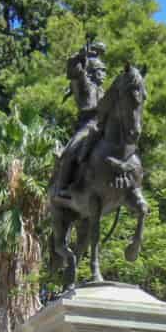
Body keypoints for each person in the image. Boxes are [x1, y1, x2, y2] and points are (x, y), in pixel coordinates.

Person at [49, 40, 108, 209]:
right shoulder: (84, 84)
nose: (104, 74)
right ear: (93, 72)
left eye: (105, 71)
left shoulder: (103, 92)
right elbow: (74, 71)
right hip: (87, 126)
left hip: (103, 128)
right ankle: (61, 188)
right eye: (100, 71)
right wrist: (81, 55)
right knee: (69, 153)